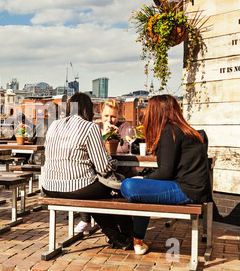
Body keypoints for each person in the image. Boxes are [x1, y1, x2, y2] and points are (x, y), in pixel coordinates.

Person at [120, 94, 212, 255]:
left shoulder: (170, 131)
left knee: (129, 185)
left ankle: (135, 238)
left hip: (186, 189)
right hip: (192, 187)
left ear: (157, 112)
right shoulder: (182, 130)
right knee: (143, 190)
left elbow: (165, 171)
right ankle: (138, 241)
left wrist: (143, 179)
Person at [42, 92, 133, 250]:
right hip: (76, 187)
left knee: (97, 195)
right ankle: (131, 235)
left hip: (49, 186)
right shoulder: (90, 127)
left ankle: (118, 239)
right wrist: (113, 162)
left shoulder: (54, 125)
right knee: (114, 190)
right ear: (88, 110)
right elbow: (104, 167)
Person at [75, 99, 133, 233]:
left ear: (118, 115)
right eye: (106, 116)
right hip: (99, 170)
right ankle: (86, 219)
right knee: (84, 181)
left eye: (113, 116)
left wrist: (111, 137)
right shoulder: (94, 127)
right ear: (101, 114)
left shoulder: (124, 127)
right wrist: (103, 136)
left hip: (119, 170)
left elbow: (125, 149)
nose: (110, 120)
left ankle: (115, 226)